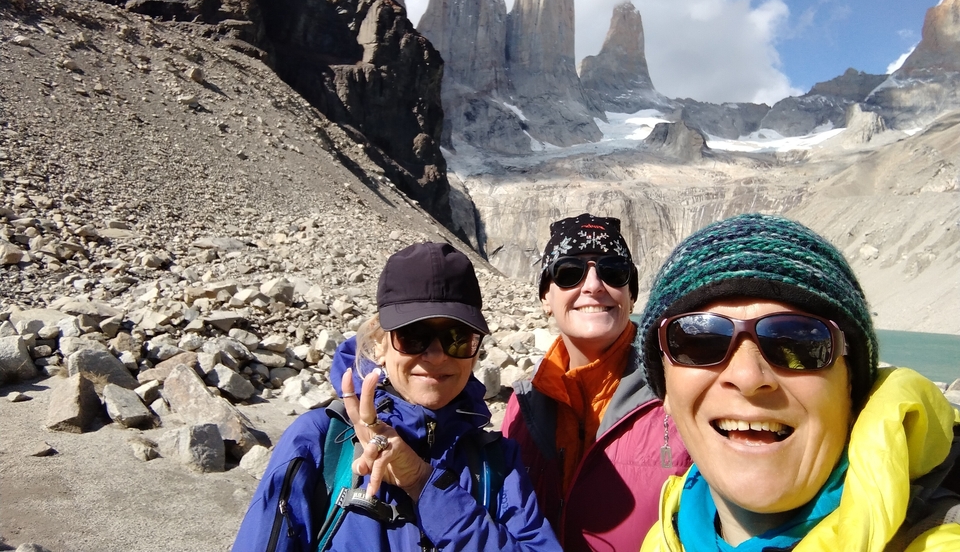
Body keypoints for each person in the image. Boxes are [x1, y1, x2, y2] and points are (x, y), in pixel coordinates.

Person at [636, 213, 960, 552]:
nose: (747, 377)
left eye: (798, 344)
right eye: (699, 343)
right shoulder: (663, 540)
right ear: (667, 391)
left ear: (851, 388)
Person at [233, 241, 561, 552]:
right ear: (380, 344)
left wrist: (423, 483)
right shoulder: (319, 442)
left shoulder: (497, 462)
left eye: (457, 338)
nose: (436, 355)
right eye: (413, 336)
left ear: (475, 351)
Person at [502, 213, 692, 552]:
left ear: (631, 296)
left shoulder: (679, 393)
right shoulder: (523, 403)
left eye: (613, 272)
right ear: (546, 297)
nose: (592, 285)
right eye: (569, 273)